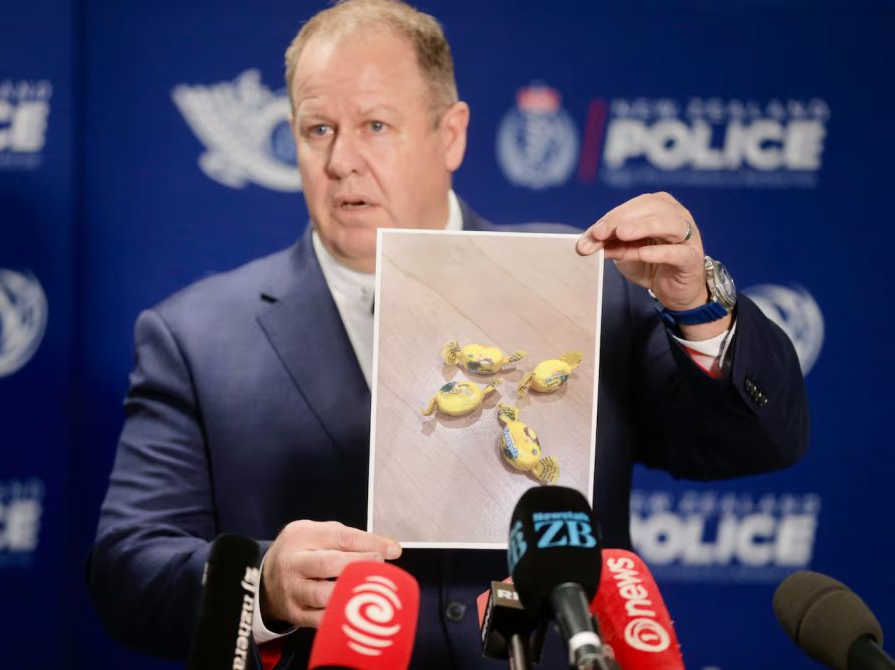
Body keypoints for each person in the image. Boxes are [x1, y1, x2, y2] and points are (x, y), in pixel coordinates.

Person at [87, 1, 809, 667]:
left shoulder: (578, 286)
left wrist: (697, 306)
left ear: (451, 134)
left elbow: (757, 444)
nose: (341, 161)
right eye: (317, 130)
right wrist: (262, 584)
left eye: (375, 125)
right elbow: (126, 570)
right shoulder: (196, 337)